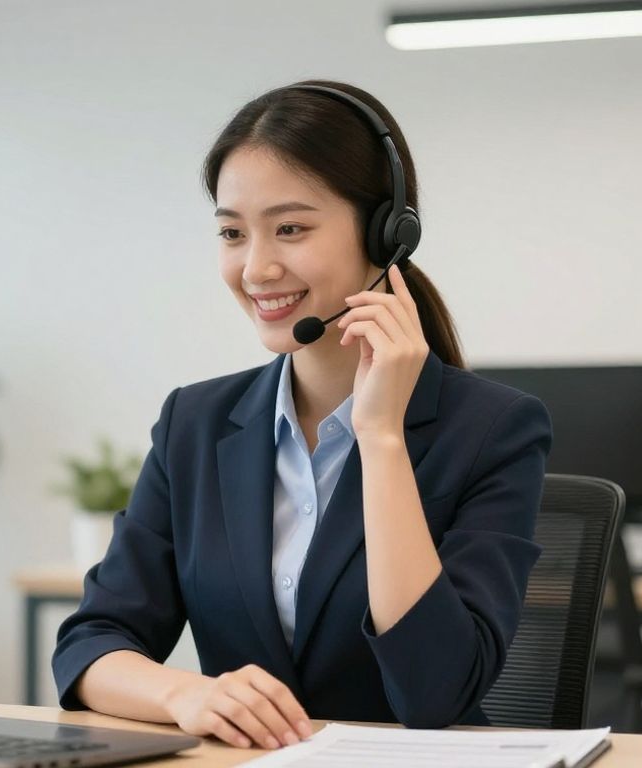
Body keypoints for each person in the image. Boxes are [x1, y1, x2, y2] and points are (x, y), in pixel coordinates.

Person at [51, 79, 553, 750]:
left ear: (386, 234)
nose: (256, 268)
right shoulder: (195, 423)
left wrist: (380, 439)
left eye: (290, 228)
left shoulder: (495, 431)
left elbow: (435, 694)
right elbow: (90, 643)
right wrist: (188, 694)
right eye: (233, 233)